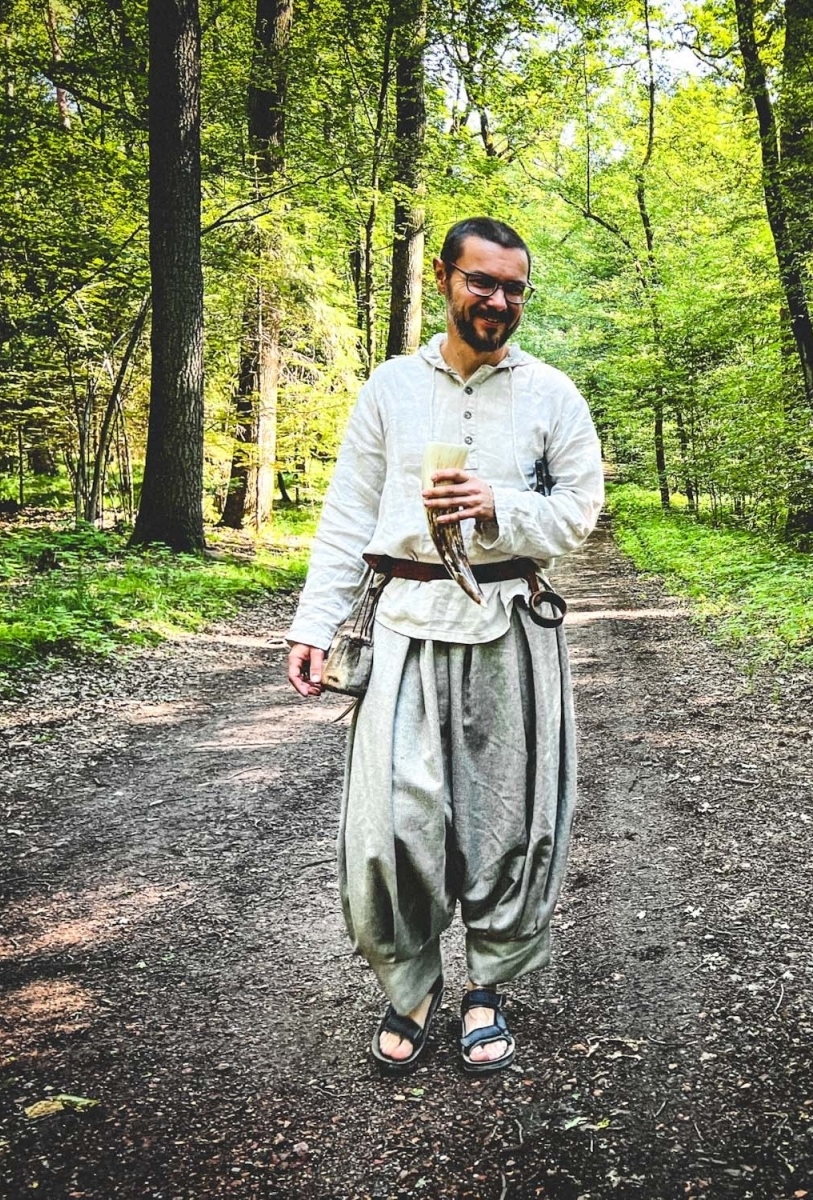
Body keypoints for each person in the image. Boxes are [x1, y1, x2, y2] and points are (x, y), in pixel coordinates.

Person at [284, 216, 604, 1075]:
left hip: (509, 631)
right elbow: (348, 517)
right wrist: (315, 625)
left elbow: (579, 513)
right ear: (444, 279)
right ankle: (411, 983)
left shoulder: (552, 395)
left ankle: (488, 986)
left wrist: (497, 503)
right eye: (483, 283)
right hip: (402, 631)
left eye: (514, 289)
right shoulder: (389, 388)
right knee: (394, 826)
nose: (499, 302)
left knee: (508, 824)